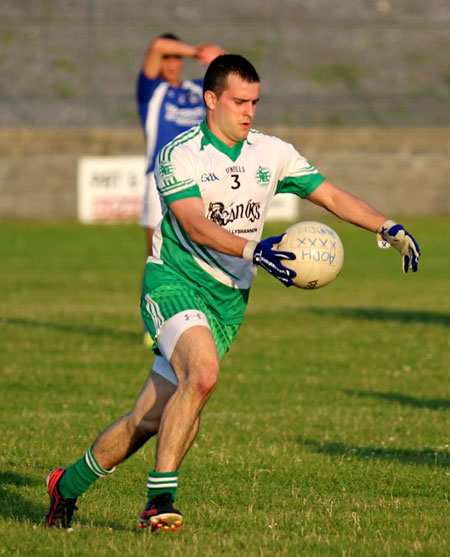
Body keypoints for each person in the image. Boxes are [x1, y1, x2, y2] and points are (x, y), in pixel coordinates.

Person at [45, 54, 420, 532]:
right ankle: (159, 502)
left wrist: (386, 225)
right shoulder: (179, 154)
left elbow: (330, 195)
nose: (249, 112)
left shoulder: (272, 152)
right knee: (202, 375)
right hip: (176, 282)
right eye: (239, 101)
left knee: (147, 419)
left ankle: (66, 485)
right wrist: (254, 250)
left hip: (227, 300)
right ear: (211, 100)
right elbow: (197, 226)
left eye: (255, 102)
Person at [137, 33, 225, 259]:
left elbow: (230, 75)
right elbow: (157, 46)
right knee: (159, 256)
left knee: (203, 255)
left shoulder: (197, 90)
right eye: (167, 57)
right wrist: (197, 51)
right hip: (160, 177)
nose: (171, 63)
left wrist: (216, 55)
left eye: (176, 57)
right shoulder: (152, 90)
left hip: (201, 177)